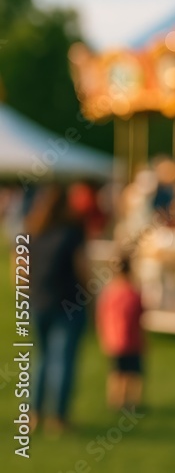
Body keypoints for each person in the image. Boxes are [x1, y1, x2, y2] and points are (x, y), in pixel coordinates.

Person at [26, 185, 88, 433]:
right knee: (62, 361)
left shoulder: (32, 230)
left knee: (41, 358)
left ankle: (34, 414)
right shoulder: (72, 232)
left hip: (38, 301)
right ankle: (58, 418)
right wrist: (90, 295)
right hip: (68, 302)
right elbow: (83, 267)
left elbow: (19, 269)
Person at [96, 256, 145, 410]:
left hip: (113, 341)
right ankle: (132, 402)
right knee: (133, 374)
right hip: (131, 341)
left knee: (116, 373)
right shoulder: (133, 292)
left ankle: (115, 400)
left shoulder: (108, 292)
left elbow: (100, 315)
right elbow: (140, 315)